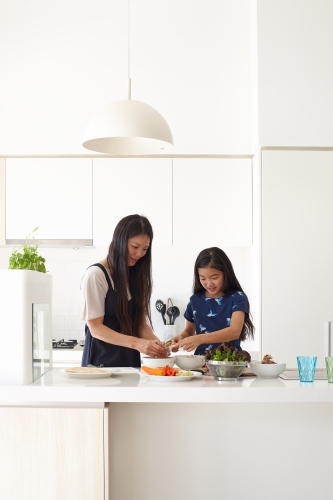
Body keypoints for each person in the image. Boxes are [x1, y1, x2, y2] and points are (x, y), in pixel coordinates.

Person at [81, 214, 168, 368]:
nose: (140, 254)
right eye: (135, 247)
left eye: (145, 249)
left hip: (129, 364)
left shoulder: (134, 275)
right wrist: (138, 344)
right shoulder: (96, 275)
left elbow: (139, 325)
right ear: (120, 241)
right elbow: (96, 328)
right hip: (101, 365)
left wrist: (158, 346)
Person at [171, 247, 254, 355]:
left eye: (214, 277)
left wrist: (200, 338)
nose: (209, 284)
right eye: (203, 278)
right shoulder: (194, 300)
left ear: (226, 273)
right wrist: (181, 337)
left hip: (229, 363)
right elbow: (189, 331)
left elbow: (234, 332)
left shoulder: (237, 298)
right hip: (200, 363)